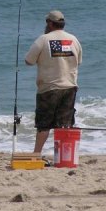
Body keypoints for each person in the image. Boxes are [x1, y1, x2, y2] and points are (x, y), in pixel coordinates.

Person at [25, 10, 82, 153]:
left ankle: (37, 153)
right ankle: (64, 155)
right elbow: (78, 61)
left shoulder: (43, 39)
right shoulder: (73, 39)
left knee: (43, 125)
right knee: (64, 125)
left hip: (49, 88)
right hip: (69, 87)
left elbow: (28, 60)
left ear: (50, 23)